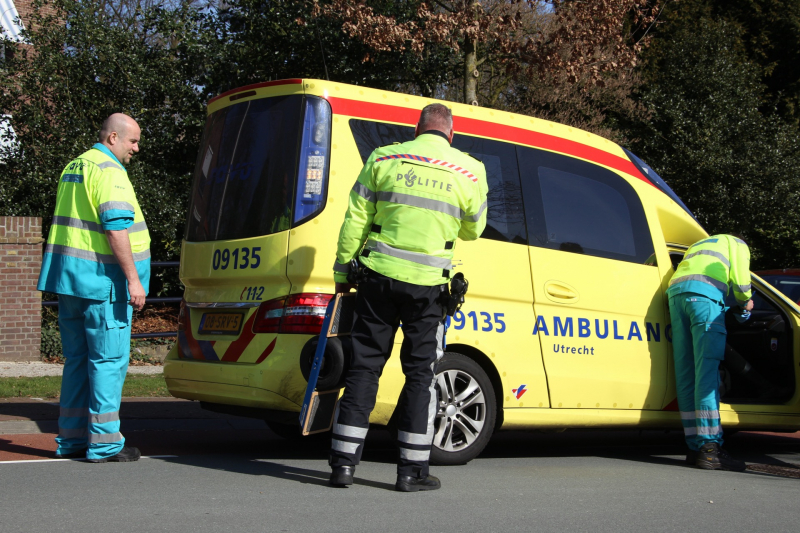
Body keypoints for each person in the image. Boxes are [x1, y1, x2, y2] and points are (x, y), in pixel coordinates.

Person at [328, 103, 488, 491]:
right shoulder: (470, 170)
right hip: (428, 289)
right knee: (420, 375)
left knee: (364, 368)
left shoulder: (383, 158)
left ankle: (343, 466)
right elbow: (473, 230)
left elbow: (355, 220)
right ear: (451, 134)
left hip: (377, 279)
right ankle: (411, 471)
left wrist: (342, 272)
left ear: (417, 130)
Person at [37, 113, 150, 463]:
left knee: (77, 362)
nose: (136, 148)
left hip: (70, 281)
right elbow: (116, 228)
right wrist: (133, 279)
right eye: (133, 141)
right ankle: (105, 443)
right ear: (113, 137)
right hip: (104, 284)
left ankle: (71, 439)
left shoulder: (75, 166)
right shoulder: (109, 170)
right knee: (108, 362)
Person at [667, 234, 753, 471]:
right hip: (705, 299)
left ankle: (694, 447)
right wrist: (745, 303)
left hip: (676, 296)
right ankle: (710, 449)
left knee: (686, 375)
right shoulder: (736, 243)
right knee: (706, 376)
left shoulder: (698, 244)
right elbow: (742, 282)